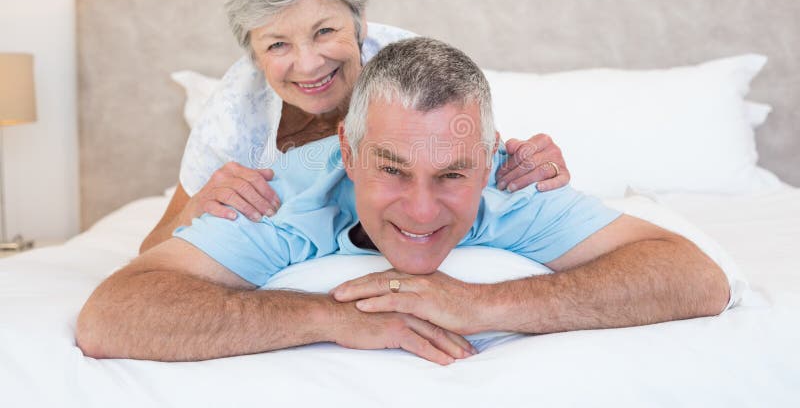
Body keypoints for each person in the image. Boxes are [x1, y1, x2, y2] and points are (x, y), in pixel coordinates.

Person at [77, 37, 730, 365]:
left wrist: (483, 305)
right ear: (350, 154)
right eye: (392, 172)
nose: (422, 212)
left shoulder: (509, 183)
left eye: (451, 176)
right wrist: (324, 318)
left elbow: (696, 278)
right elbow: (110, 315)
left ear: (487, 155)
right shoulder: (291, 195)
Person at [139, 0, 571, 253]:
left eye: (324, 31)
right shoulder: (234, 111)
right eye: (277, 45)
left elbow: (467, 171)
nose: (308, 65)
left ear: (360, 21)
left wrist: (529, 170)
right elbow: (152, 252)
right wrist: (197, 209)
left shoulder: (411, 71)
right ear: (253, 54)